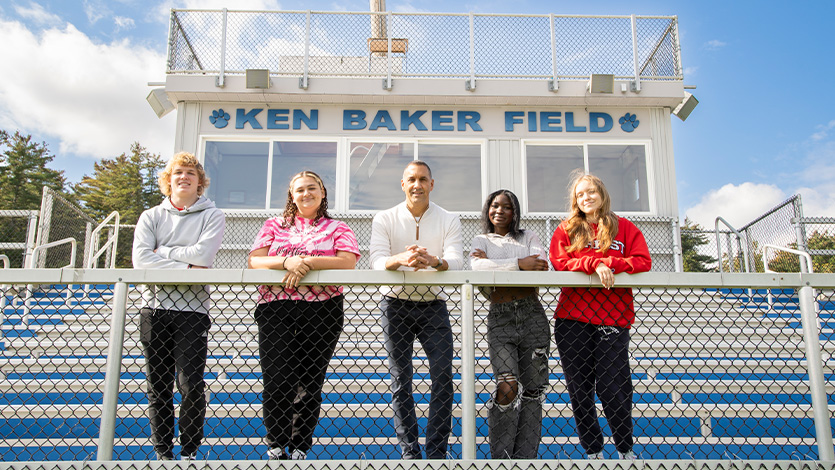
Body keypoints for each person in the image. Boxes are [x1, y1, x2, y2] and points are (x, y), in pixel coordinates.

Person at [248, 170, 360, 461]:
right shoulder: (274, 225)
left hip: (322, 309)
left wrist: (306, 262)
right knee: (277, 377)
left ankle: (299, 447)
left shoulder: (338, 228)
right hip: (276, 307)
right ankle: (276, 444)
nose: (306, 194)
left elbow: (347, 262)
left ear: (323, 193)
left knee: (309, 382)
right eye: (300, 190)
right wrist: (287, 260)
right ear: (291, 195)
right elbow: (256, 260)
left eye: (312, 188)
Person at [548, 173, 651, 460]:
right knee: (579, 389)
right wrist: (593, 263)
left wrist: (611, 264)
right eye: (581, 194)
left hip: (613, 318)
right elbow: (560, 262)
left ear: (602, 194)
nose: (587, 198)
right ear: (575, 200)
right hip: (573, 318)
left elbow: (643, 261)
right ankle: (593, 449)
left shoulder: (626, 228)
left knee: (612, 386)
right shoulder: (566, 229)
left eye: (592, 192)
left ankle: (624, 447)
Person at [132, 151, 226, 461]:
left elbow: (204, 255)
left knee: (190, 386)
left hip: (193, 312)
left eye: (190, 173)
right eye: (177, 173)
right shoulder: (151, 216)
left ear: (200, 183)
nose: (183, 177)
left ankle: (189, 451)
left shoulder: (212, 215)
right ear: (168, 181)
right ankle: (163, 452)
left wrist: (164, 253)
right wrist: (186, 269)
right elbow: (141, 260)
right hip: (154, 309)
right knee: (157, 386)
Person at [369, 160, 463, 459]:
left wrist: (433, 261)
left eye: (423, 179)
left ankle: (436, 452)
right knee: (401, 380)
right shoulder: (384, 217)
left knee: (443, 378)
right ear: (403, 184)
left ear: (431, 184)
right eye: (411, 179)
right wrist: (401, 259)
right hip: (394, 305)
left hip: (433, 305)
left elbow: (457, 261)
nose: (417, 185)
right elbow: (376, 261)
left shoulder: (449, 218)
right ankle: (410, 452)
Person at [469, 189, 550, 459]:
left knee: (533, 390)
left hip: (532, 316)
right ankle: (501, 459)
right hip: (500, 318)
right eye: (494, 206)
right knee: (507, 386)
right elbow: (477, 269)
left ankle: (525, 459)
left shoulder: (528, 236)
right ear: (487, 210)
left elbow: (540, 264)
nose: (499, 211)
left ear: (515, 212)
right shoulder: (481, 239)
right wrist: (518, 263)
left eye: (506, 207)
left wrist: (496, 265)